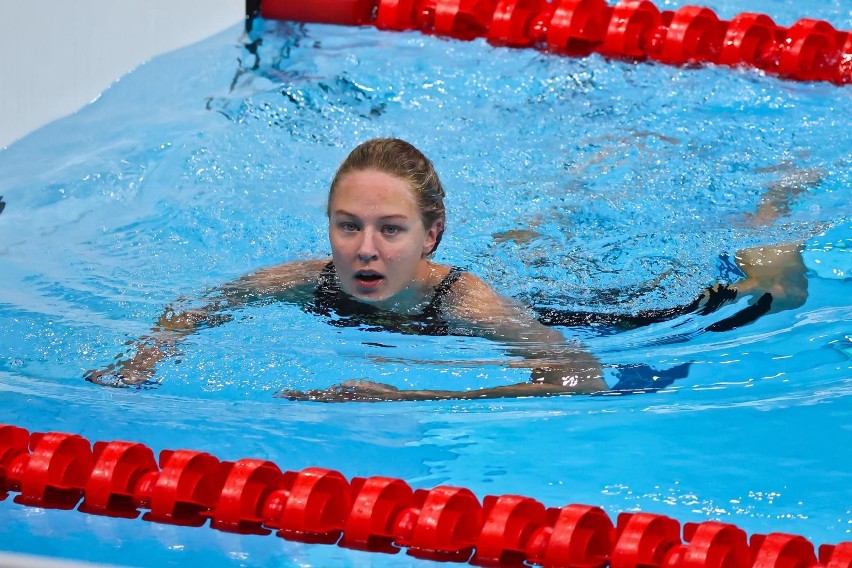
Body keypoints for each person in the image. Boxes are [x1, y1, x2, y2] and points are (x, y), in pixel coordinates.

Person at [84, 138, 809, 401]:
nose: (366, 250)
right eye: (348, 227)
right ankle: (573, 188)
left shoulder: (469, 305)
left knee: (768, 289)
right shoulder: (305, 279)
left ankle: (780, 197)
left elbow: (579, 377)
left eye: (391, 230)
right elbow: (200, 305)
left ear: (431, 236)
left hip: (615, 321)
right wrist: (143, 359)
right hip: (537, 292)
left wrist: (402, 400)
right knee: (542, 248)